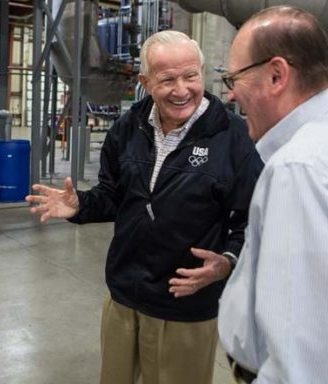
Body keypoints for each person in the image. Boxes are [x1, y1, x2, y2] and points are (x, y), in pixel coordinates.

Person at [26, 30, 263, 384]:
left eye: (190, 76)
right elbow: (115, 195)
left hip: (186, 305)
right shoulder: (129, 126)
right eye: (167, 79)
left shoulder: (234, 137)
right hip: (125, 295)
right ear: (145, 81)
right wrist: (80, 206)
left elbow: (254, 221)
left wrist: (227, 263)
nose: (181, 90)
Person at [218, 6, 328, 384]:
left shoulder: (300, 170)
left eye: (234, 78)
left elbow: (307, 364)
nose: (230, 94)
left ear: (276, 74)